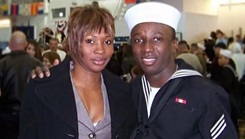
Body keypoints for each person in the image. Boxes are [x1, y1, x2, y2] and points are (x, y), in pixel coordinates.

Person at [18, 3, 136, 139]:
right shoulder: (41, 89)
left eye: (108, 42)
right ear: (74, 42)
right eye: (90, 41)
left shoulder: (123, 92)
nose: (101, 50)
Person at [124, 2, 238, 138]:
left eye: (157, 39)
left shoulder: (204, 94)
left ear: (174, 45)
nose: (147, 48)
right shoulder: (132, 91)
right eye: (138, 40)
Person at [0, 31, 43, 139]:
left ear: (10, 45)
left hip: (6, 116)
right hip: (30, 116)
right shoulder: (37, 64)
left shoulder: (3, 64)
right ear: (25, 45)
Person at [217, 49, 241, 133]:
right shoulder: (230, 68)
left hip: (231, 101)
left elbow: (226, 86)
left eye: (221, 58)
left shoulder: (227, 71)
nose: (218, 60)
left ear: (227, 59)